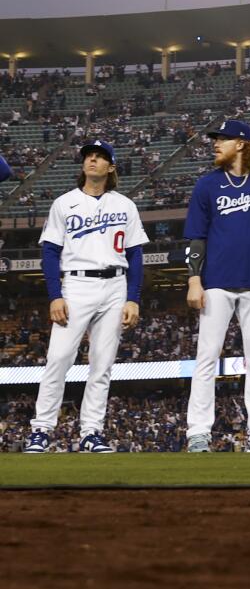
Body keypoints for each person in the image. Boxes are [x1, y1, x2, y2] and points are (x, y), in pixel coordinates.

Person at [24, 141, 147, 454]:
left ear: (111, 167)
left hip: (116, 286)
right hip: (76, 285)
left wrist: (133, 298)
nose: (92, 159)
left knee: (102, 364)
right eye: (89, 156)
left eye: (100, 156)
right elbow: (50, 252)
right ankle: (41, 430)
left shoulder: (125, 205)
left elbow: (135, 255)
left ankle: (91, 432)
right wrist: (55, 295)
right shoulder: (64, 203)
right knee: (58, 358)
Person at [184, 119, 250, 453]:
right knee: (206, 359)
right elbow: (196, 238)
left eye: (222, 139)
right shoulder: (207, 185)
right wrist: (194, 280)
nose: (215, 144)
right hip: (215, 283)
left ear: (242, 144)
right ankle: (198, 433)